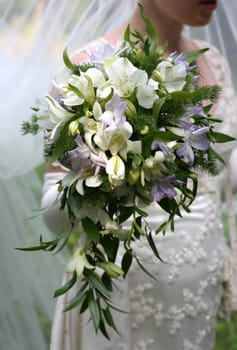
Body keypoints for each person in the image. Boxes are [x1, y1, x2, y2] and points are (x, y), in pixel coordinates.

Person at [42, 0, 237, 349]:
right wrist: (96, 172)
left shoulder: (215, 64)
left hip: (199, 288)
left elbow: (224, 165)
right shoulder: (89, 71)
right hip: (124, 289)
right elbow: (54, 217)